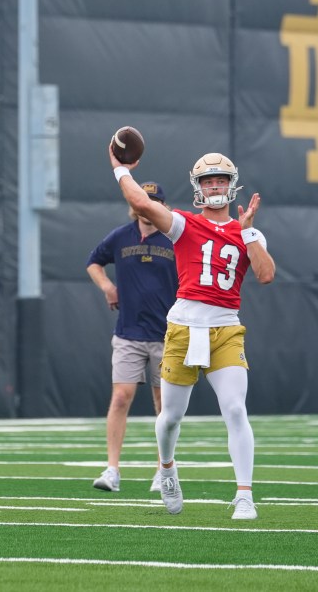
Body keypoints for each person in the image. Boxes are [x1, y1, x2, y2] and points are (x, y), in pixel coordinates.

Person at [109, 147, 275, 520]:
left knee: (234, 408)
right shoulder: (184, 223)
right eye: (207, 181)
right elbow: (140, 202)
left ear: (232, 186)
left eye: (220, 180)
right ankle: (167, 468)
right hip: (184, 326)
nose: (214, 186)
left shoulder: (248, 231)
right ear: (198, 187)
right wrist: (120, 168)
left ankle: (245, 495)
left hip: (226, 328)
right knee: (170, 417)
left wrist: (247, 233)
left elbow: (266, 275)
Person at [86, 181, 177, 494]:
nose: (147, 207)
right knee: (121, 396)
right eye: (143, 201)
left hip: (168, 334)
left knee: (163, 402)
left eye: (154, 202)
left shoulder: (174, 236)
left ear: (163, 206)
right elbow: (94, 262)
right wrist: (108, 287)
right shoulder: (120, 236)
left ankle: (163, 469)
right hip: (128, 332)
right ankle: (112, 469)